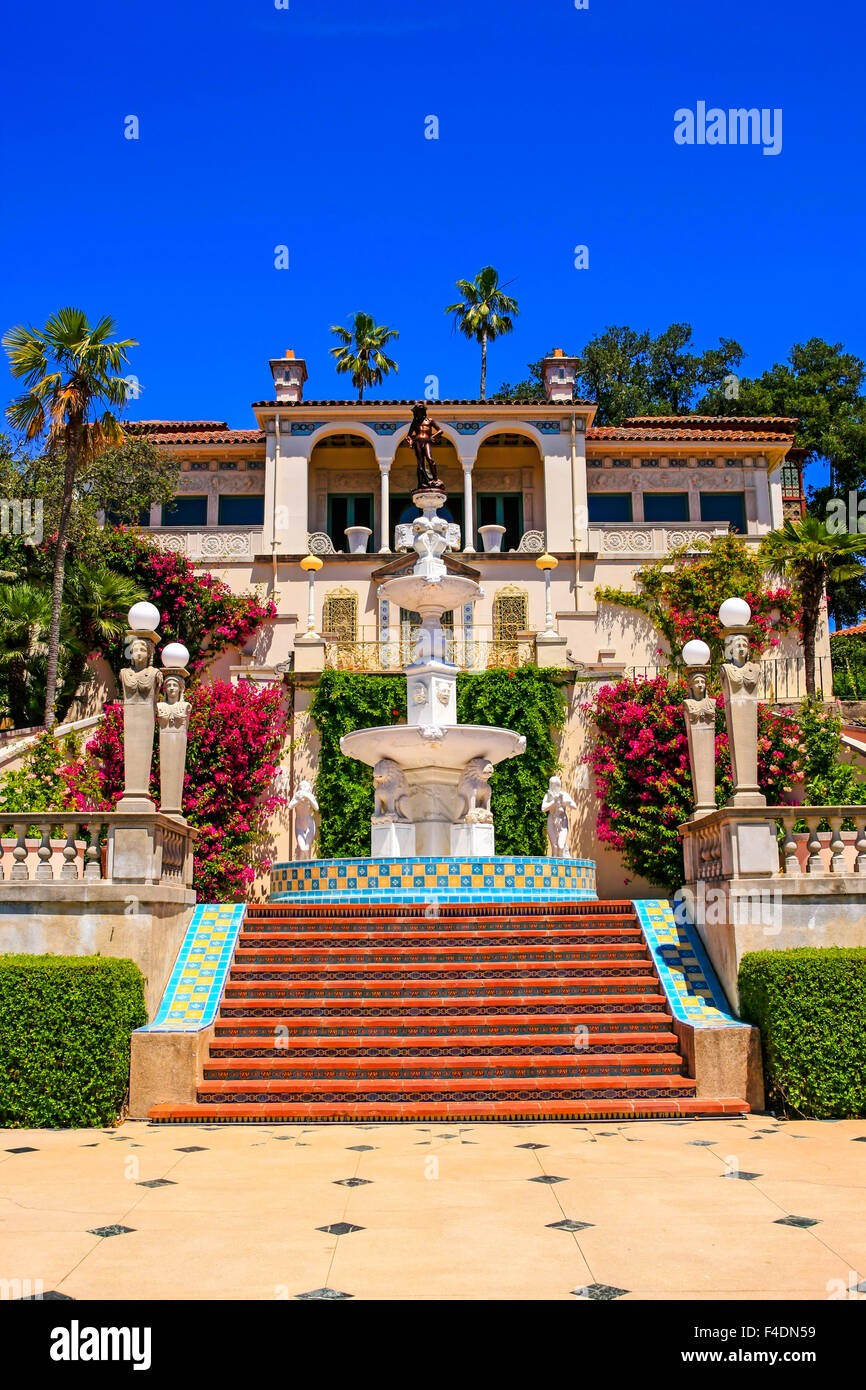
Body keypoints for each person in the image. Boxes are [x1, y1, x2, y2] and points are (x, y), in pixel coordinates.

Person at [407, 403, 444, 490]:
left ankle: (435, 479)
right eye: (417, 411)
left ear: (423, 411)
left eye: (420, 411)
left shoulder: (430, 421)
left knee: (430, 459)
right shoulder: (415, 422)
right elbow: (409, 435)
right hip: (417, 442)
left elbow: (440, 430)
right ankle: (422, 483)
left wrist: (433, 437)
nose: (418, 412)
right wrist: (410, 441)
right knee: (420, 464)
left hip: (426, 441)